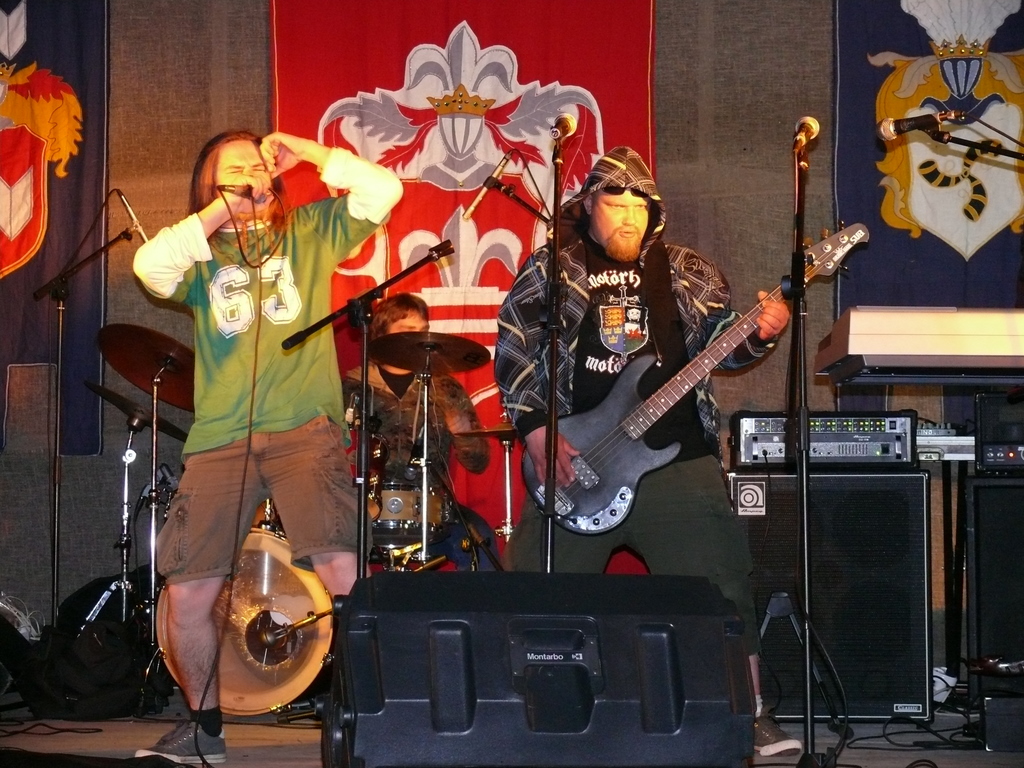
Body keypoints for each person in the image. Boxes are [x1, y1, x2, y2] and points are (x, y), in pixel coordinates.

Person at [494, 145, 801, 758]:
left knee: (721, 588)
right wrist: (536, 430)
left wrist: (761, 333)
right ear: (588, 205)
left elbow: (723, 344)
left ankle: (748, 713)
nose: (629, 215)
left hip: (676, 457)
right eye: (616, 202)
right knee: (535, 588)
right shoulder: (552, 268)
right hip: (578, 457)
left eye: (641, 205)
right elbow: (514, 344)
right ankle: (524, 714)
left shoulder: (688, 270)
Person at [132, 130, 403, 764]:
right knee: (187, 593)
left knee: (344, 575)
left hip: (303, 429)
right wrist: (221, 211)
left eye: (257, 164)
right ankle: (204, 729)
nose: (252, 173)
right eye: (234, 169)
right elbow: (150, 268)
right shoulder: (199, 251)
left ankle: (381, 721)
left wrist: (309, 153)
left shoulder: (309, 230)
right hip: (220, 438)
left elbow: (383, 189)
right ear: (210, 184)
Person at [342, 292, 500, 570]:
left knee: (480, 542)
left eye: (422, 330)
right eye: (407, 330)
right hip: (363, 505)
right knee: (327, 545)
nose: (417, 338)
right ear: (381, 334)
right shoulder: (351, 388)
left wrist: (464, 437)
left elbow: (479, 462)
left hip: (433, 508)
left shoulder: (445, 389)